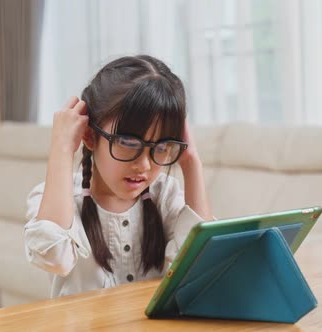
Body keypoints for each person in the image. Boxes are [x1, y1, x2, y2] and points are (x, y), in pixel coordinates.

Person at [24, 55, 212, 298]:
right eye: (127, 142)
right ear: (91, 137)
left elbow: (201, 266)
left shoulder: (165, 195)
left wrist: (192, 161)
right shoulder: (52, 197)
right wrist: (62, 148)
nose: (144, 164)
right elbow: (54, 258)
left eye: (162, 147)